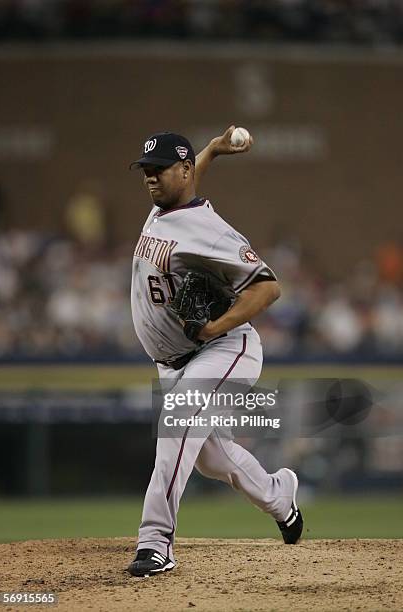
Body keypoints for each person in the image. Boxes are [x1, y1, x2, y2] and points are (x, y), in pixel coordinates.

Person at [127, 126, 303, 578]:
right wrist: (213, 151)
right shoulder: (165, 208)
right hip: (177, 360)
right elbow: (186, 183)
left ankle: (154, 542)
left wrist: (214, 328)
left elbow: (269, 288)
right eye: (146, 171)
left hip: (225, 348)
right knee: (212, 458)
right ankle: (279, 497)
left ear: (182, 171)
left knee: (176, 427)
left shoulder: (211, 231)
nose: (151, 178)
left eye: (159, 170)